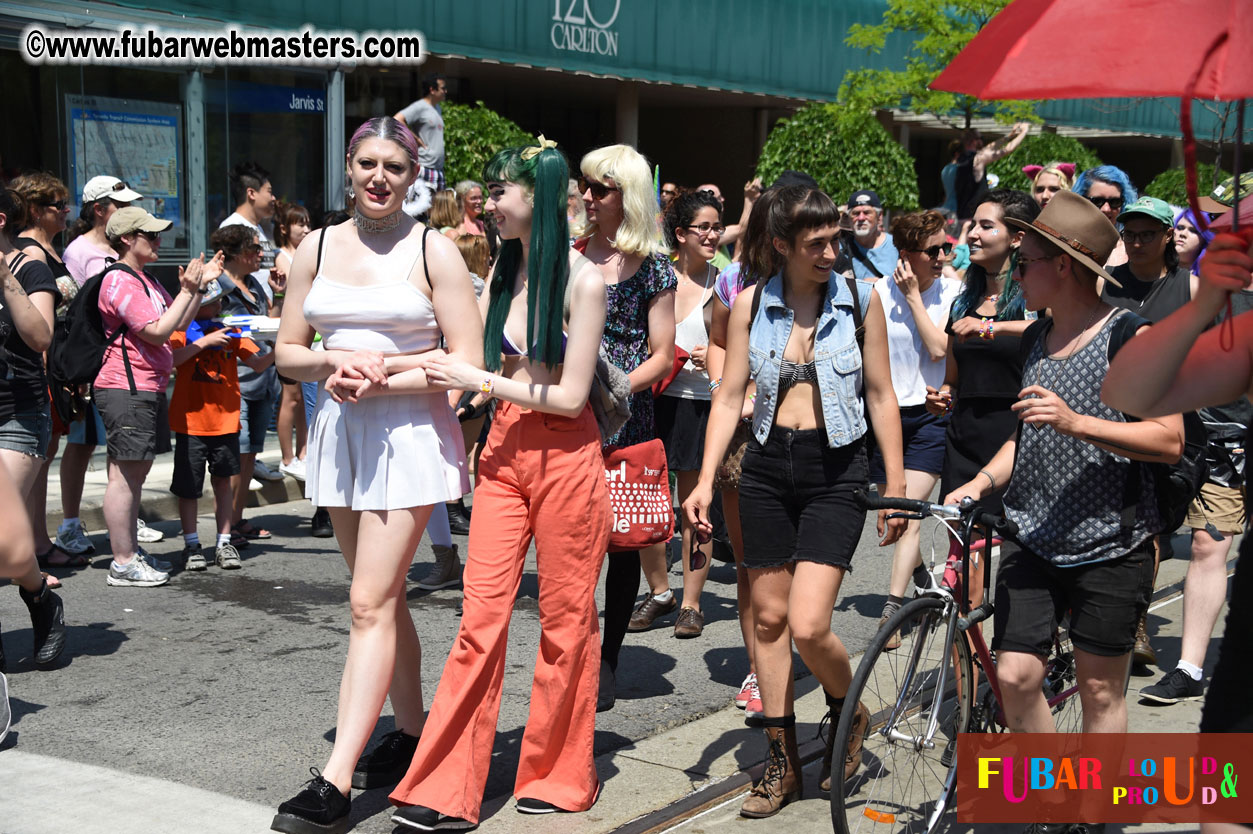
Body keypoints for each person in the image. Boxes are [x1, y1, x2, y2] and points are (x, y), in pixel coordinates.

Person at [389, 137, 611, 832]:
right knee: (478, 621)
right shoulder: (503, 273)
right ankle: (445, 783)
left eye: (501, 190)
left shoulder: (584, 281)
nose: (487, 200)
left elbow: (573, 396)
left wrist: (480, 381)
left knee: (566, 622)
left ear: (537, 197)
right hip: (505, 454)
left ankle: (558, 772)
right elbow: (467, 364)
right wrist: (380, 375)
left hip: (567, 458)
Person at [269, 115, 482, 834]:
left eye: (394, 165)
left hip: (412, 438)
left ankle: (333, 784)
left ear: (414, 175)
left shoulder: (436, 251)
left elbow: (464, 363)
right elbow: (288, 354)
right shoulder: (316, 246)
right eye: (367, 164)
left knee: (367, 601)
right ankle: (413, 732)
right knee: (382, 602)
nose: (379, 177)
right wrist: (334, 363)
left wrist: (381, 377)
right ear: (350, 169)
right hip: (340, 436)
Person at [684, 184, 906, 818]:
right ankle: (782, 765)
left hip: (837, 469)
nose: (833, 251)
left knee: (810, 625)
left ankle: (849, 711)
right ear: (781, 244)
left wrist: (892, 484)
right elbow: (729, 397)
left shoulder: (863, 300)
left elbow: (882, 395)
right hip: (765, 468)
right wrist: (704, 481)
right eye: (818, 243)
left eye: (836, 238)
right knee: (768, 621)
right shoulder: (750, 303)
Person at [944, 190, 1182, 745]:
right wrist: (978, 483)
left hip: (1112, 544)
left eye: (1025, 263)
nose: (1016, 272)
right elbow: (1025, 436)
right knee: (1015, 676)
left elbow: (1169, 439)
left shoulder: (1131, 337)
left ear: (1065, 266)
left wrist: (1077, 422)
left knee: (1101, 692)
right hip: (1033, 537)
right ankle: (1053, 795)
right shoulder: (1034, 338)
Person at [1102, 232, 1253, 810]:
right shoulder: (1198, 294)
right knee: (1210, 546)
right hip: (1212, 444)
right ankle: (1189, 665)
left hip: (1235, 440)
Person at [575, 144, 677, 711]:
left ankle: (608, 658)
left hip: (627, 417)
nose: (588, 198)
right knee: (573, 541)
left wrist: (612, 391)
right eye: (586, 187)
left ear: (628, 197)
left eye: (602, 189)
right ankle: (577, 651)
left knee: (622, 545)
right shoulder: (571, 257)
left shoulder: (654, 267)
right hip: (571, 417)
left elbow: (662, 355)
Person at [96, 207, 221, 587]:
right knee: (125, 476)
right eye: (150, 235)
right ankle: (123, 561)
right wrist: (188, 289)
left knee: (133, 473)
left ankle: (129, 552)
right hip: (126, 386)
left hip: (144, 386)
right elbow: (155, 331)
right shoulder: (120, 281)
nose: (158, 241)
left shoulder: (144, 280)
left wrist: (197, 290)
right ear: (126, 240)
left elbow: (178, 323)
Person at [871, 210, 961, 645]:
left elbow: (939, 346)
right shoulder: (874, 294)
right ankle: (921, 577)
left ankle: (892, 608)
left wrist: (913, 299)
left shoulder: (953, 292)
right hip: (885, 416)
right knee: (891, 506)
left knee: (907, 509)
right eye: (934, 250)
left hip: (931, 416)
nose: (944, 255)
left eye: (947, 247)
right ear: (905, 255)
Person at [927, 190, 1040, 516]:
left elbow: (1052, 332)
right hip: (965, 442)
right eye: (974, 224)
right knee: (964, 548)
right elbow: (952, 380)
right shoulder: (962, 303)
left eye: (986, 226)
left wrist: (990, 328)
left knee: (1011, 550)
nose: (972, 234)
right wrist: (942, 397)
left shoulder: (1035, 300)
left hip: (1018, 440)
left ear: (1018, 237)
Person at [54, 175, 142, 559]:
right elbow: (77, 312)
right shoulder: (79, 251)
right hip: (93, 361)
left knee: (118, 444)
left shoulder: (121, 248)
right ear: (98, 209)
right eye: (119, 205)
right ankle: (70, 524)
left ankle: (123, 520)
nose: (126, 212)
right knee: (82, 442)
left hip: (122, 362)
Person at [0, 188, 67, 670]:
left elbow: (40, 336)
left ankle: (38, 592)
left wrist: (2, 274)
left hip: (16, 414)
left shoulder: (30, 269)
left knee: (5, 545)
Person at [169, 279, 273, 570]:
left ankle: (224, 543)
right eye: (215, 301)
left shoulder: (232, 331)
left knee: (223, 483)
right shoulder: (180, 329)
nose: (221, 306)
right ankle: (191, 545)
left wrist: (282, 346)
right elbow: (171, 361)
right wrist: (204, 342)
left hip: (226, 422)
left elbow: (259, 363)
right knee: (189, 488)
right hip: (190, 423)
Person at [657, 190, 722, 638]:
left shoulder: (727, 284)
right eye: (704, 227)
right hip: (656, 401)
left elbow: (744, 352)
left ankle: (692, 604)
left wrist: (714, 356)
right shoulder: (658, 277)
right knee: (646, 503)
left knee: (694, 506)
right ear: (681, 234)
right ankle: (659, 591)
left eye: (718, 227)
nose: (714, 234)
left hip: (702, 406)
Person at [212, 224, 280, 545]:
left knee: (250, 453)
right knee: (234, 458)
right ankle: (226, 525)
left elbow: (271, 326)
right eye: (255, 250)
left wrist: (277, 294)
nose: (261, 256)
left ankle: (237, 520)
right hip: (235, 378)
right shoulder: (218, 286)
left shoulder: (254, 283)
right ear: (236, 254)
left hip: (263, 375)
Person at [273, 201, 312, 482]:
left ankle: (303, 453)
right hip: (289, 333)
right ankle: (287, 458)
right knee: (290, 398)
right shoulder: (282, 257)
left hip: (309, 335)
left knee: (301, 399)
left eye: (307, 223)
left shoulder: (306, 253)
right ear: (285, 228)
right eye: (300, 223)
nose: (305, 228)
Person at [220, 161, 279, 304]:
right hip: (246, 313)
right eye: (269, 192)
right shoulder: (232, 226)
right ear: (251, 193)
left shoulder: (258, 228)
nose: (273, 198)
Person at [953, 123, 1031, 220]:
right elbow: (1007, 149)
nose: (983, 141)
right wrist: (1024, 131)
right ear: (974, 141)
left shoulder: (960, 159)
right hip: (970, 217)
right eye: (981, 138)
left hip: (961, 215)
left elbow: (990, 147)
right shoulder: (978, 159)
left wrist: (1010, 135)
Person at [1073, 164, 1138, 268]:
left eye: (1115, 202)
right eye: (1098, 201)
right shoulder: (1067, 246)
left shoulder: (1132, 250)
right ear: (1081, 200)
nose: (1106, 209)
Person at [394, 73, 448, 192]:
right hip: (425, 166)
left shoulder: (437, 108)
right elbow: (397, 120)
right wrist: (417, 140)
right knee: (421, 208)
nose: (446, 91)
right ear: (432, 90)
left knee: (439, 209)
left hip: (438, 168)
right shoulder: (420, 106)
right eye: (443, 88)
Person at [842, 189, 898, 282]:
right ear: (849, 219)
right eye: (856, 213)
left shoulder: (896, 246)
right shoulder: (840, 248)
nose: (861, 218)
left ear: (879, 216)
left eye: (867, 213)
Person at [1173, 207, 1214, 277]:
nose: (1183, 234)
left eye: (1193, 230)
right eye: (1180, 228)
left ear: (1205, 238)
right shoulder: (1154, 268)